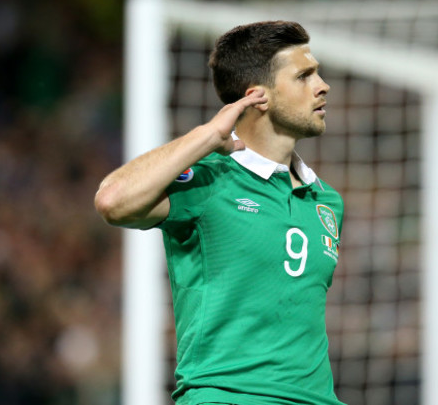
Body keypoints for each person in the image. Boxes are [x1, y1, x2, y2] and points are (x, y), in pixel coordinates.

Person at [95, 20, 345, 405]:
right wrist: (208, 136)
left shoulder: (326, 201)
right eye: (304, 76)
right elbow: (113, 200)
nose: (322, 85)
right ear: (258, 97)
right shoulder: (209, 182)